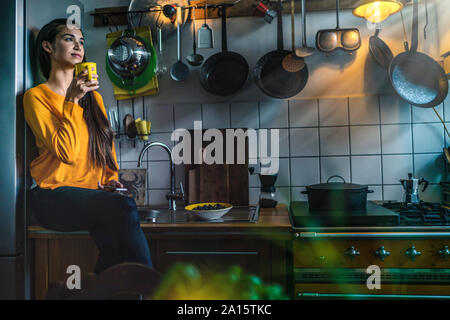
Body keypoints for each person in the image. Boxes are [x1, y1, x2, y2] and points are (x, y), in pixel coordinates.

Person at [23, 18, 152, 274]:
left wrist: (110, 179)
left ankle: (98, 291)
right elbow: (66, 152)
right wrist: (71, 101)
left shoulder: (94, 98)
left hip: (91, 196)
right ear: (48, 47)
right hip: (51, 197)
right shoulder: (36, 97)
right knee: (124, 208)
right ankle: (153, 288)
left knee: (113, 248)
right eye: (69, 38)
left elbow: (105, 144)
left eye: (81, 41)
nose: (78, 45)